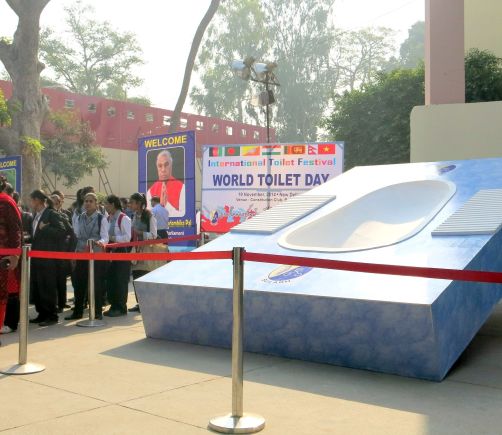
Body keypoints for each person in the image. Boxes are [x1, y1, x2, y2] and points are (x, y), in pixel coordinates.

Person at [65, 193, 109, 320]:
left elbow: (105, 237)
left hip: (96, 254)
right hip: (81, 253)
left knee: (96, 283)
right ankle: (78, 312)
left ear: (96, 203)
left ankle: (97, 312)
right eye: (86, 201)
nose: (88, 203)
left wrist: (100, 242)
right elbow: (77, 235)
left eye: (90, 201)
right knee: (79, 283)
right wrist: (74, 254)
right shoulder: (79, 217)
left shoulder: (101, 218)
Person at [29, 190, 66, 326]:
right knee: (38, 286)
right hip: (36, 257)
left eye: (32, 200)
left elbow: (62, 231)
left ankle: (51, 315)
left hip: (48, 258)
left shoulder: (51, 213)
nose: (31, 203)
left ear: (38, 200)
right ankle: (42, 313)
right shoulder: (36, 215)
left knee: (48, 286)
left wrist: (46, 229)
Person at [0, 175, 22, 340]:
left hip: (3, 257)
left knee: (4, 294)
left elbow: (15, 230)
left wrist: (14, 254)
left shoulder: (6, 202)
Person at [103, 195, 132, 317]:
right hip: (110, 252)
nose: (105, 206)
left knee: (120, 281)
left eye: (106, 203)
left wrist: (113, 238)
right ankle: (113, 305)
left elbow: (127, 238)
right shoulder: (108, 218)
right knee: (111, 280)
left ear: (113, 204)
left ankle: (121, 307)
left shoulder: (124, 218)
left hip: (121, 252)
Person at [128, 192, 157, 313]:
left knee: (145, 277)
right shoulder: (134, 215)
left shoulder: (149, 216)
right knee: (136, 277)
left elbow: (154, 235)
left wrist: (140, 233)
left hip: (147, 250)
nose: (129, 205)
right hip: (136, 250)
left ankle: (147, 304)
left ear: (139, 203)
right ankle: (139, 303)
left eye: (132, 202)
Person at [51, 194, 74, 312]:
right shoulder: (47, 214)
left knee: (61, 278)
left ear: (60, 203)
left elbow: (70, 231)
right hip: (50, 251)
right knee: (52, 279)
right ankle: (54, 303)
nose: (54, 205)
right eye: (52, 203)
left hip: (63, 250)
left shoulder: (66, 214)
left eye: (56, 202)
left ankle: (62, 302)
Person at [146, 150, 185, 217]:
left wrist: (167, 205)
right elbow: (149, 216)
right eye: (160, 166)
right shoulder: (150, 191)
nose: (163, 169)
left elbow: (184, 216)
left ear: (171, 165)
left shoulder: (182, 188)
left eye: (166, 165)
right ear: (157, 167)